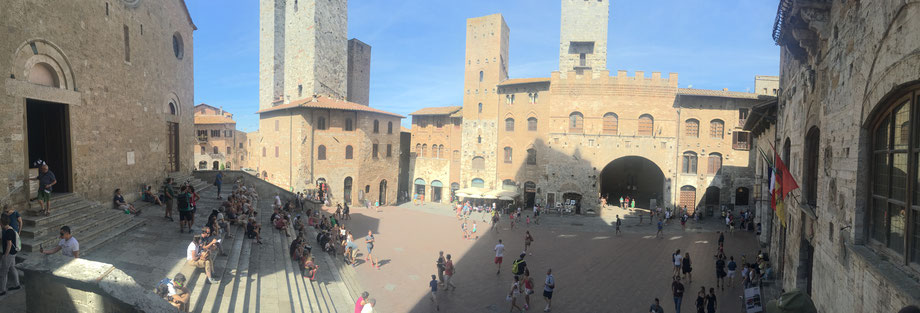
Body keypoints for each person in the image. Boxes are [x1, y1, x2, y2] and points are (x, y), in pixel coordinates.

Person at [0, 215, 20, 296]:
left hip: (9, 254)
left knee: (3, 272)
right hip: (13, 253)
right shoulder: (10, 229)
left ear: (2, 223)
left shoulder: (8, 232)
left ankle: (2, 290)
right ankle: (17, 284)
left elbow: (9, 244)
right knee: (12, 268)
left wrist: (5, 255)